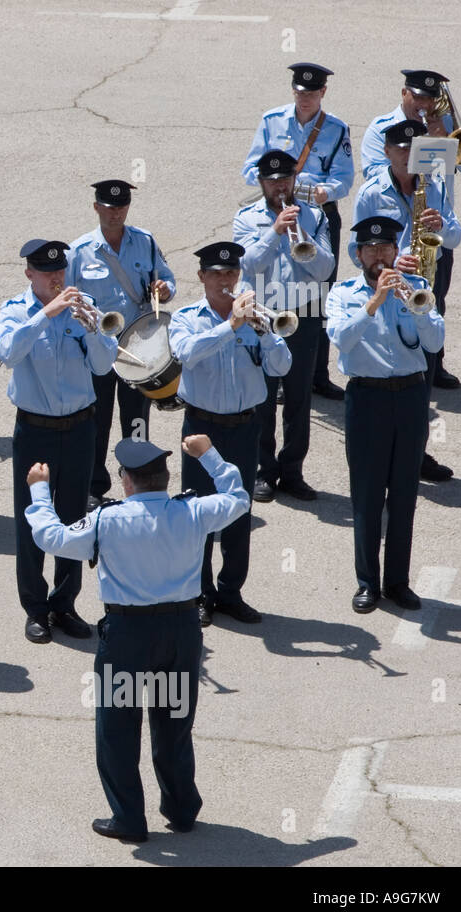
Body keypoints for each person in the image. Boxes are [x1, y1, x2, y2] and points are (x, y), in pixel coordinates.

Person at [24, 435, 249, 842]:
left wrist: (40, 490)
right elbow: (238, 497)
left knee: (117, 729)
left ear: (126, 481)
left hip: (128, 637)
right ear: (165, 479)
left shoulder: (107, 520)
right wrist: (210, 454)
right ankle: (181, 811)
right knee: (174, 725)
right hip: (181, 633)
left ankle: (129, 818)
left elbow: (51, 538)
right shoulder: (193, 511)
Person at [0, 239, 118, 643]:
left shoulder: (83, 305)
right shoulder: (17, 311)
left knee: (73, 518)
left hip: (81, 427)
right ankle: (35, 609)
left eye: (60, 271)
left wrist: (94, 331)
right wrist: (45, 316)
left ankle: (64, 604)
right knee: (32, 519)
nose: (56, 279)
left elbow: (103, 365)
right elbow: (7, 354)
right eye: (47, 272)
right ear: (30, 273)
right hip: (36, 429)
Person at [325, 216, 444, 614]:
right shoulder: (343, 294)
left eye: (386, 248)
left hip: (410, 398)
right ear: (358, 254)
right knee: (367, 496)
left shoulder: (418, 289)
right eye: (371, 249)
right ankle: (367, 583)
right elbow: (341, 340)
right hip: (367, 399)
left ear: (397, 252)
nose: (379, 255)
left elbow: (435, 341)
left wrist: (415, 304)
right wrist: (373, 303)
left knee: (405, 494)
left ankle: (398, 582)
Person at [169, 241, 290, 627]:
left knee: (238, 512)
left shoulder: (258, 318)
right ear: (201, 277)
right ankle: (200, 593)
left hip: (244, 426)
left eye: (231, 273)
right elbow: (186, 353)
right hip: (202, 427)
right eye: (216, 274)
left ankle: (231, 591)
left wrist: (267, 333)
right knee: (198, 513)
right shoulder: (186, 318)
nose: (224, 280)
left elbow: (281, 366)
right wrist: (230, 326)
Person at [352, 119, 461, 483]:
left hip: (425, 287)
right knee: (391, 375)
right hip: (388, 289)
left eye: (414, 151)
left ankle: (416, 452)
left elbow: (456, 235)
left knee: (421, 382)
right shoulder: (371, 192)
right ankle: (385, 456)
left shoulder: (436, 183)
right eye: (400, 150)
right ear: (387, 152)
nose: (407, 156)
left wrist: (440, 226)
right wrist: (389, 261)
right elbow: (357, 252)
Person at [359, 70, 461, 391]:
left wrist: (443, 141)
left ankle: (433, 365)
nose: (423, 105)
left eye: (428, 98)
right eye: (417, 97)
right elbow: (373, 172)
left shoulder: (444, 126)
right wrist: (421, 154)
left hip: (436, 224)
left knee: (434, 299)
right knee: (391, 301)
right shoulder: (380, 128)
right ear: (404, 94)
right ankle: (392, 365)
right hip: (394, 231)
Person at [242, 62, 353, 400]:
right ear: (293, 90)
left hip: (316, 215)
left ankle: (315, 374)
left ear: (323, 93)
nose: (305, 99)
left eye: (312, 93)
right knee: (271, 286)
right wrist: (280, 181)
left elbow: (344, 178)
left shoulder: (335, 128)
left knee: (317, 295)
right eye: (300, 92)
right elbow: (250, 169)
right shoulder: (271, 120)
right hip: (275, 212)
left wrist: (323, 191)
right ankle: (275, 368)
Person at [233, 150, 334, 503]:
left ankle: (292, 471)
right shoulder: (246, 218)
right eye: (272, 181)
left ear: (294, 180)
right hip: (262, 315)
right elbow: (247, 265)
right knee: (262, 397)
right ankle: (263, 471)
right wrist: (276, 233)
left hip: (303, 315)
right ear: (261, 183)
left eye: (285, 179)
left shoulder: (315, 216)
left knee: (298, 398)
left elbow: (324, 271)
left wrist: (301, 235)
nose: (279, 186)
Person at [68, 180, 176, 508]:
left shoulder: (144, 242)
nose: (116, 213)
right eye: (109, 207)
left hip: (139, 349)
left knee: (137, 421)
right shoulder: (80, 250)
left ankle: (141, 480)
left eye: (122, 207)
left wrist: (165, 290)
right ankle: (92, 486)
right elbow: (67, 298)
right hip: (99, 350)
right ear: (96, 207)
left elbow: (168, 280)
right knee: (95, 421)